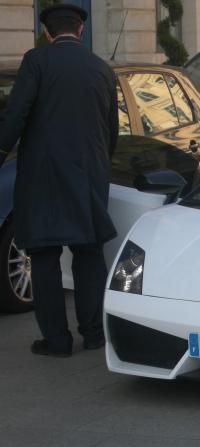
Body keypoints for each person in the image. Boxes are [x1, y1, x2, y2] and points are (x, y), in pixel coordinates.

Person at [0, 4, 118, 357]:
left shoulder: (36, 61)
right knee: (89, 252)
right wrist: (100, 164)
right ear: (80, 31)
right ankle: (94, 334)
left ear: (47, 33)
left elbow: (17, 112)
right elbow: (111, 128)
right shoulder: (101, 67)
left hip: (45, 176)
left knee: (45, 255)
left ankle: (57, 340)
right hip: (90, 173)